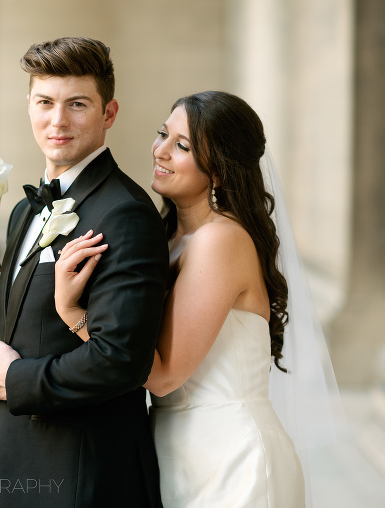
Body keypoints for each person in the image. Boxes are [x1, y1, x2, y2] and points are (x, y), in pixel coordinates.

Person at [54, 91, 318, 507]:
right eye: (163, 134)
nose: (160, 151)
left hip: (233, 459)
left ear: (221, 170)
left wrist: (72, 313)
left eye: (182, 146)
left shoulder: (219, 241)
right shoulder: (167, 238)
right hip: (175, 451)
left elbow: (162, 376)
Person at [0, 37, 168, 508]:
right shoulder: (21, 211)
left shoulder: (125, 213)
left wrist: (15, 380)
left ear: (109, 113)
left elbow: (123, 360)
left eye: (77, 104)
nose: (57, 121)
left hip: (84, 474)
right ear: (30, 107)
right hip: (21, 464)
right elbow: (15, 342)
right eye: (45, 102)